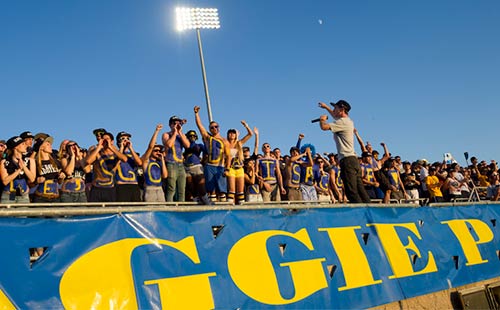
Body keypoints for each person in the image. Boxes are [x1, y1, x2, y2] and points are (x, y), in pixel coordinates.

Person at [318, 100, 370, 203]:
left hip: (347, 161)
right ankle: (370, 214)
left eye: (335, 108)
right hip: (353, 160)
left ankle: (360, 214)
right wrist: (326, 107)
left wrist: (322, 120)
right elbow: (335, 115)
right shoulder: (348, 121)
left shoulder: (342, 122)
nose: (333, 110)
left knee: (351, 192)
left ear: (341, 110)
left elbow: (324, 127)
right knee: (360, 190)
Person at [194, 106, 231, 202]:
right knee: (211, 190)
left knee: (222, 190)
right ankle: (212, 207)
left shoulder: (224, 141)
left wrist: (227, 168)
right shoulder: (208, 137)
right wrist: (196, 114)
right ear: (209, 129)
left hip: (220, 166)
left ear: (219, 128)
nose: (214, 128)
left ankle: (223, 207)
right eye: (212, 127)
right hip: (209, 166)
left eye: (216, 126)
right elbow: (200, 126)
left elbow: (229, 156)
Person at [85, 131, 128, 202]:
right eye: (103, 139)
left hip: (110, 188)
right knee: (94, 211)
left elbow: (124, 159)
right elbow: (88, 161)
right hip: (97, 188)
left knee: (110, 211)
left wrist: (111, 147)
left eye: (107, 139)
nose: (105, 141)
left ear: (112, 141)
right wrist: (99, 147)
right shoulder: (97, 153)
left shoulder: (115, 154)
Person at [162, 116, 190, 202]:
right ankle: (170, 207)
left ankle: (181, 207)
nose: (176, 125)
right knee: (171, 188)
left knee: (182, 189)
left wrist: (180, 132)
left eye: (178, 123)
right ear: (170, 125)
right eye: (174, 123)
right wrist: (174, 132)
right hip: (171, 163)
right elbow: (169, 145)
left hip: (181, 164)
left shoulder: (181, 135)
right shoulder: (166, 134)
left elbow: (187, 145)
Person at [0, 136, 36, 204]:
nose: (25, 145)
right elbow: (5, 181)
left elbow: (32, 179)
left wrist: (24, 167)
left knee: (23, 214)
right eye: (22, 144)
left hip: (23, 196)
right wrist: (19, 170)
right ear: (15, 147)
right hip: (8, 195)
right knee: (7, 214)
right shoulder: (5, 162)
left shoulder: (30, 160)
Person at [226, 121, 253, 204]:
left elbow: (250, 134)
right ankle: (230, 207)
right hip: (230, 168)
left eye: (233, 133)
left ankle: (241, 207)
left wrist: (246, 126)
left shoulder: (239, 143)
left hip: (240, 168)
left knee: (240, 191)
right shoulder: (225, 144)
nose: (232, 135)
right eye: (230, 133)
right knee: (232, 190)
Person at [33, 135, 65, 203]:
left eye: (50, 144)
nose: (50, 146)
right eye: (47, 144)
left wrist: (61, 177)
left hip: (55, 197)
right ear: (41, 147)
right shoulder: (35, 162)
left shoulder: (56, 161)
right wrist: (36, 181)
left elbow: (59, 182)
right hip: (40, 197)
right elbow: (30, 183)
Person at [141, 124, 168, 202]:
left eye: (159, 151)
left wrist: (162, 159)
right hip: (150, 189)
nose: (158, 152)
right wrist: (157, 131)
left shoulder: (159, 163)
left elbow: (165, 176)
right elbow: (150, 147)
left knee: (162, 211)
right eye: (156, 150)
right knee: (150, 211)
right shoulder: (146, 161)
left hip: (160, 188)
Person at [184, 129, 211, 205]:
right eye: (190, 136)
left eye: (193, 136)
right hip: (187, 167)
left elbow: (207, 151)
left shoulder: (199, 145)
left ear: (196, 137)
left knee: (201, 185)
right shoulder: (185, 145)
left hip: (196, 166)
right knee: (190, 185)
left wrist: (205, 141)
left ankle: (206, 201)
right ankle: (196, 199)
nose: (192, 137)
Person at [115, 131, 143, 202]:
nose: (126, 140)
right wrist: (121, 147)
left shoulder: (133, 154)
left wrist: (131, 148)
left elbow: (139, 163)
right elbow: (116, 161)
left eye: (127, 138)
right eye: (123, 138)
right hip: (122, 185)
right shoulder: (115, 153)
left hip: (134, 184)